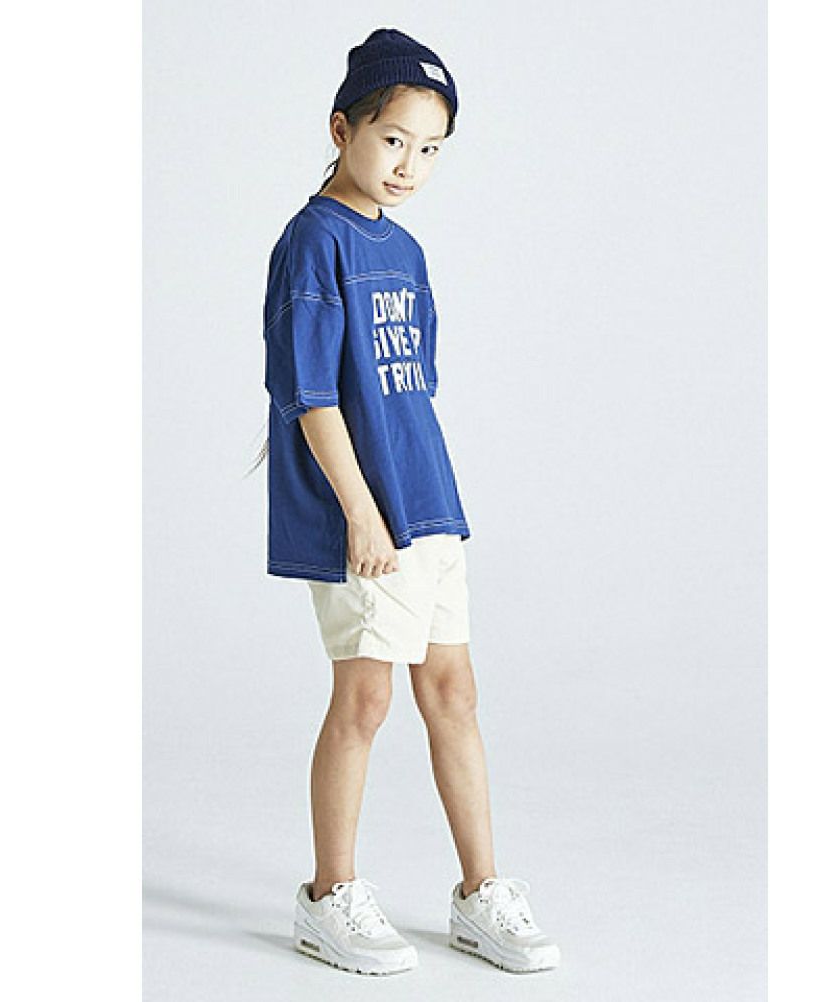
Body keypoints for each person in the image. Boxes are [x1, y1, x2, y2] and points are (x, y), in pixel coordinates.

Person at [253, 27, 560, 976]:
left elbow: (411, 387)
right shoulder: (314, 241)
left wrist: (424, 506)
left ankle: (480, 892)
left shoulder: (408, 250)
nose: (410, 166)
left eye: (431, 149)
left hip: (428, 503)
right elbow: (310, 395)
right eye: (393, 139)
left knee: (453, 690)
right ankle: (329, 896)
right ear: (341, 128)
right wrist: (359, 511)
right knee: (366, 695)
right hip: (367, 515)